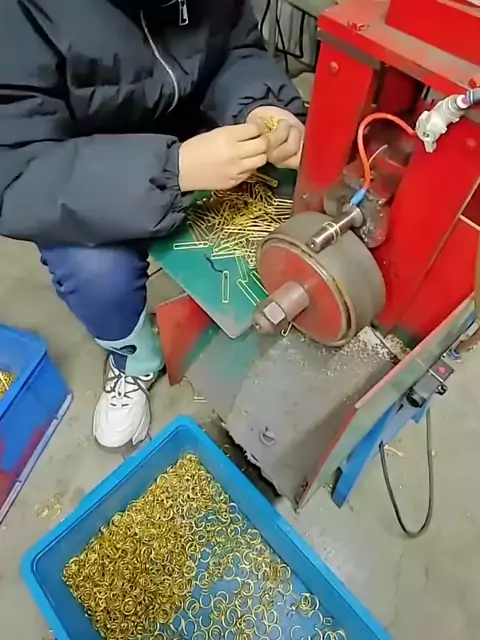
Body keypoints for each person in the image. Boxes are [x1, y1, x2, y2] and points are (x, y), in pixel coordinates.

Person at [0, 0, 306, 448]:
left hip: (194, 125)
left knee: (289, 191)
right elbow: (17, 172)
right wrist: (172, 171)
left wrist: (261, 106)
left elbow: (234, 46)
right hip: (82, 170)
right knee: (95, 274)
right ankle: (135, 359)